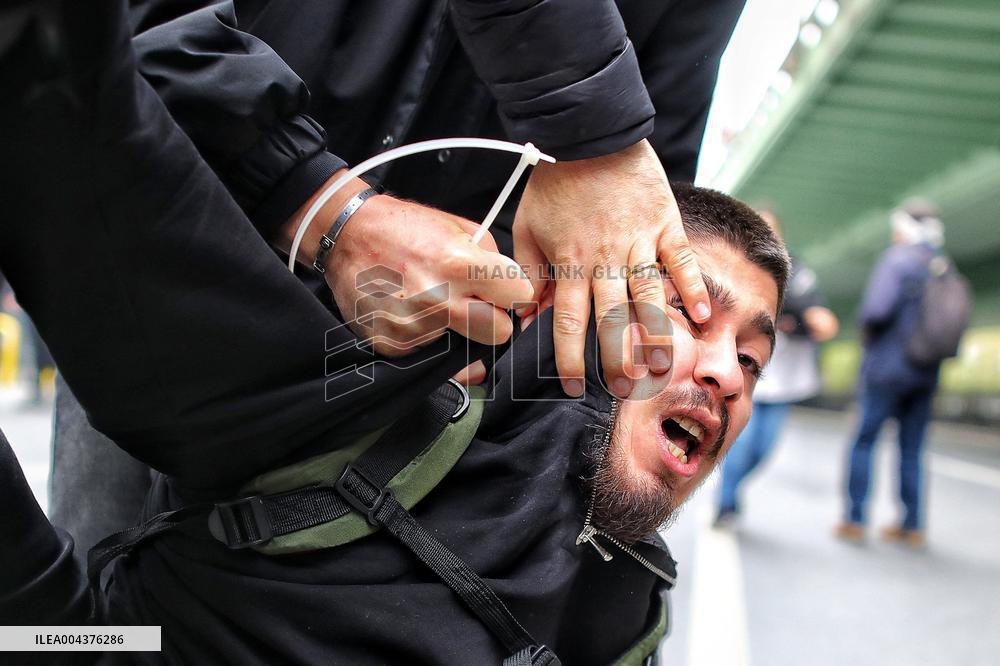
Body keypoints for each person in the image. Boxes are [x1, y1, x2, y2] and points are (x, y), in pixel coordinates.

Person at [0, 5, 788, 660]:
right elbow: (79, 66)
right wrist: (322, 204)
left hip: (446, 329)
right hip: (237, 225)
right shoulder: (321, 416)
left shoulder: (622, 602)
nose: (726, 373)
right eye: (690, 311)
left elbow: (638, 202)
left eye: (753, 359)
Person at [835, 199, 948, 548]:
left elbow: (876, 310)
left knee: (864, 441)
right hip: (926, 372)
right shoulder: (942, 266)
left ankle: (855, 519)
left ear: (905, 227)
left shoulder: (897, 260)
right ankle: (912, 525)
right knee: (912, 448)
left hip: (887, 370)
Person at [714, 210, 838, 527]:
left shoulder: (796, 273)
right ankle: (725, 503)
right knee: (740, 443)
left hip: (782, 379)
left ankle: (732, 488)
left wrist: (798, 315)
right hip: (743, 373)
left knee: (762, 449)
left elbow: (824, 324)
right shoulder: (729, 263)